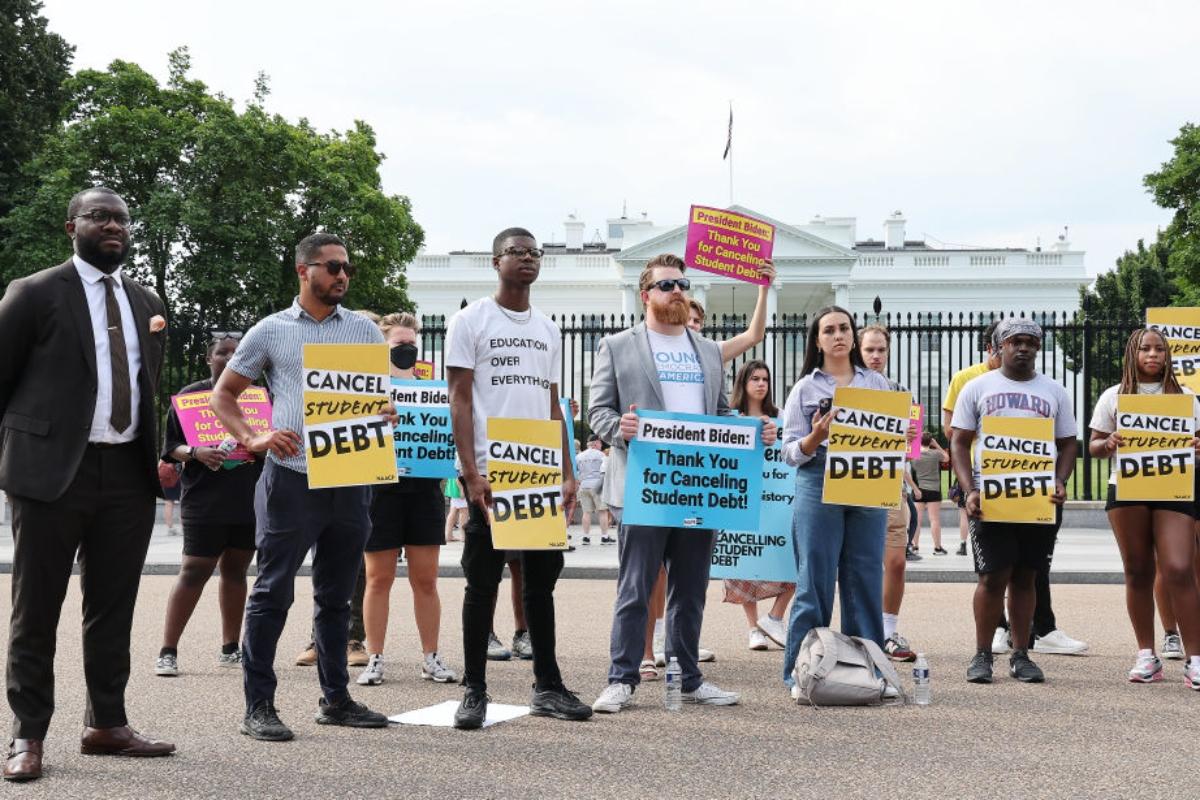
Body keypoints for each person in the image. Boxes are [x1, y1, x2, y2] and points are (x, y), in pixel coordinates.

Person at [0, 186, 174, 782]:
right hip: (51, 474)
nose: (114, 226)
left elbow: (148, 384)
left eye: (123, 218)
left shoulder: (147, 299)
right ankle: (27, 734)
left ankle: (106, 723)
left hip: (125, 474)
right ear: (71, 225)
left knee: (112, 608)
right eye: (100, 216)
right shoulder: (34, 293)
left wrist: (166, 450)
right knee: (36, 607)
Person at [212, 232, 392, 741]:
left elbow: (376, 401)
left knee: (337, 598)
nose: (342, 276)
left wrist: (384, 412)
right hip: (291, 480)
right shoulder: (270, 330)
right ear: (303, 270)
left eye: (347, 268)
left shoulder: (363, 330)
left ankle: (336, 699)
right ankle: (259, 706)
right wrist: (254, 436)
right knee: (272, 592)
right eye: (332, 267)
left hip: (351, 478)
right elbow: (225, 394)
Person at [589, 253, 777, 714]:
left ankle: (688, 677)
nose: (676, 291)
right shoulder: (617, 346)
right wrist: (620, 430)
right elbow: (597, 412)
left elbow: (719, 415)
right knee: (635, 586)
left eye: (682, 284)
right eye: (666, 285)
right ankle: (622, 678)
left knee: (691, 589)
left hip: (699, 488)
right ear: (645, 294)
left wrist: (756, 432)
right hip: (646, 487)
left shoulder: (708, 350)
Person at [445, 227, 591, 729]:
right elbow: (460, 399)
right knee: (481, 583)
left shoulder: (548, 329)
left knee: (539, 583)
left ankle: (548, 685)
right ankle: (474, 689)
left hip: (537, 469)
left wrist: (567, 471)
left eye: (533, 253)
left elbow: (554, 405)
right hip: (492, 469)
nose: (526, 259)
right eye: (515, 252)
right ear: (496, 262)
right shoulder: (471, 320)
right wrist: (471, 472)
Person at [636, 264, 779, 671]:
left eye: (699, 321)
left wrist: (762, 289)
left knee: (688, 581)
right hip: (656, 476)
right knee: (649, 579)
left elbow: (752, 339)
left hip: (698, 480)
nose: (694, 326)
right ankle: (645, 655)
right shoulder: (642, 346)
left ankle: (680, 659)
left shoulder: (709, 354)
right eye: (691, 320)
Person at [944, 320, 1087, 657]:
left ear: (1038, 348)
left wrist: (1060, 480)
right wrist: (970, 490)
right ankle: (983, 654)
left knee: (1026, 577)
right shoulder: (977, 388)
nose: (1023, 347)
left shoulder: (1054, 391)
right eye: (1015, 341)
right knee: (992, 578)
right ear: (999, 346)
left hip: (1039, 498)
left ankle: (1022, 654)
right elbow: (959, 443)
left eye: (1030, 342)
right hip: (991, 498)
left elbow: (1068, 443)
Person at [779, 307, 896, 690]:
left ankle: (871, 671)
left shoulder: (877, 383)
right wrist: (814, 437)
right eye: (829, 330)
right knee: (815, 577)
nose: (838, 335)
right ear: (818, 340)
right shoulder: (805, 388)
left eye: (844, 328)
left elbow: (894, 436)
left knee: (863, 575)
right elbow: (789, 451)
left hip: (866, 474)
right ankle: (800, 671)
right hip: (819, 475)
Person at [1088, 328, 1200, 687]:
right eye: (1145, 349)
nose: (1153, 355)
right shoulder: (1114, 396)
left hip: (1174, 488)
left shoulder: (1186, 397)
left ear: (1168, 356)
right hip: (1127, 487)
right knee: (1137, 570)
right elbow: (1092, 445)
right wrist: (1109, 443)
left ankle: (1194, 658)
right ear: (1132, 354)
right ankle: (1146, 655)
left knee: (1179, 568)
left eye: (1160, 349)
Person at [357, 312, 456, 687]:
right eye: (400, 344)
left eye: (412, 343)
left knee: (426, 580)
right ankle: (375, 658)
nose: (408, 349)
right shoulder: (368, 391)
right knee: (378, 579)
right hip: (380, 492)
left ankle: (431, 657)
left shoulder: (434, 390)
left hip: (424, 492)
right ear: (383, 347)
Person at [154, 333, 262, 677]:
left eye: (237, 352)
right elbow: (171, 446)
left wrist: (262, 443)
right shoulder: (190, 397)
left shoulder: (260, 396)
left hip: (249, 496)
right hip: (204, 498)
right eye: (222, 353)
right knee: (194, 570)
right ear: (208, 359)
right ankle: (168, 650)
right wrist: (196, 452)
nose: (230, 358)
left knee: (236, 571)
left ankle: (231, 647)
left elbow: (271, 437)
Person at [720, 360, 795, 651]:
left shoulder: (781, 417)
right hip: (742, 497)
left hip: (777, 498)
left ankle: (775, 616)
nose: (761, 384)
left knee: (792, 560)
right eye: (755, 379)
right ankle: (753, 629)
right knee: (744, 562)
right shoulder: (731, 416)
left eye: (765, 378)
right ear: (744, 383)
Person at [859, 324, 921, 661]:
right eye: (869, 350)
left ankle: (887, 630)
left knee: (895, 562)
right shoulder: (845, 388)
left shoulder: (901, 393)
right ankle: (862, 631)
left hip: (890, 482)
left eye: (881, 350)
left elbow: (910, 450)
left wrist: (909, 435)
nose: (875, 356)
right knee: (857, 565)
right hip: (853, 484)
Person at [942, 321, 1002, 556]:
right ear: (989, 348)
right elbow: (949, 429)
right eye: (1004, 347)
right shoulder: (964, 379)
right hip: (975, 471)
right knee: (985, 541)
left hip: (1010, 468)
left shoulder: (1024, 379)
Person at [912, 431, 950, 553]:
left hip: (919, 489)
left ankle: (915, 546)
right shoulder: (935, 454)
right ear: (930, 442)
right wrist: (937, 444)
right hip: (934, 490)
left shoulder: (915, 455)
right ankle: (937, 547)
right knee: (934, 519)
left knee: (916, 520)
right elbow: (947, 457)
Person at [577, 435, 613, 545]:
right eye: (600, 443)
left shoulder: (579, 456)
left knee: (586, 512)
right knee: (602, 511)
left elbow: (577, 471)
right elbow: (607, 471)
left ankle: (586, 537)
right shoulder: (602, 455)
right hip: (598, 486)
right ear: (596, 443)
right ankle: (604, 537)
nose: (601, 445)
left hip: (583, 486)